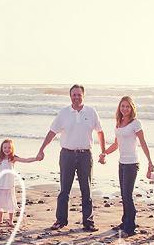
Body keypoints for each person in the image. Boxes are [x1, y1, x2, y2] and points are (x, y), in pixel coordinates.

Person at [36, 85, 106, 232]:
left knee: (86, 190)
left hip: (86, 155)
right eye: (74, 95)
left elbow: (100, 132)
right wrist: (42, 149)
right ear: (70, 96)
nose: (76, 98)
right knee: (64, 190)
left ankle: (88, 222)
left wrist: (103, 152)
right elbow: (52, 132)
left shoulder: (91, 112)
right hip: (67, 155)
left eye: (79, 95)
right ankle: (60, 220)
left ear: (83, 96)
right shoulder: (64, 113)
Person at [99, 96, 153, 236]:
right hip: (122, 163)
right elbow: (116, 144)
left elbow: (143, 142)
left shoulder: (135, 124)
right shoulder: (119, 123)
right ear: (119, 107)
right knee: (123, 194)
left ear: (132, 108)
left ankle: (130, 228)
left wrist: (150, 161)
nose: (125, 108)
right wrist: (104, 153)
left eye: (127, 106)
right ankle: (125, 222)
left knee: (128, 196)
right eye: (123, 106)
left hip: (131, 163)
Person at [0, 139, 38, 226]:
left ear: (12, 149)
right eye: (4, 147)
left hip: (9, 184)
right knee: (0, 201)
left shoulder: (13, 158)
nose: (6, 149)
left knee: (10, 201)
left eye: (9, 148)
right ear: (1, 148)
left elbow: (26, 160)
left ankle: (11, 221)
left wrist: (36, 158)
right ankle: (0, 219)